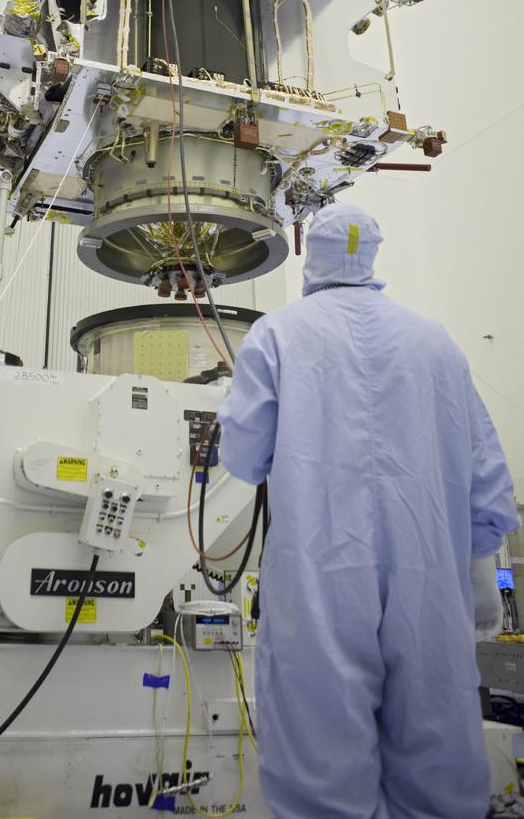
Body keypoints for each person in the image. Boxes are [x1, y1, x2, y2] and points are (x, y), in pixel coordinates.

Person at [217, 204, 519, 819]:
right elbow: (487, 469)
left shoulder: (277, 334)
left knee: (321, 756)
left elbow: (244, 459)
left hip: (318, 570)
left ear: (312, 257)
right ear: (372, 255)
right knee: (437, 750)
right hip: (430, 577)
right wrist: (481, 567)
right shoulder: (435, 341)